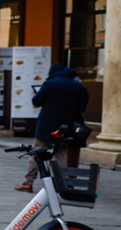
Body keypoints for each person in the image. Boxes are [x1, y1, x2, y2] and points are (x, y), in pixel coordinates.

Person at [17, 63, 88, 191]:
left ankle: (28, 182)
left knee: (36, 152)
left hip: (47, 125)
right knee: (61, 155)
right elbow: (82, 107)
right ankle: (62, 184)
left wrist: (36, 94)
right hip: (66, 126)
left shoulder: (50, 84)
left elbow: (36, 102)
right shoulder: (78, 87)